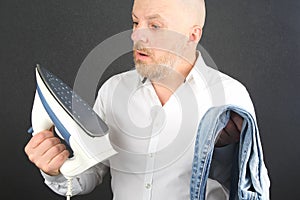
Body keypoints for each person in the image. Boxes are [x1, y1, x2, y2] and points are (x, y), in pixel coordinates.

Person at [24, 0, 257, 199]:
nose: (136, 35)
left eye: (155, 26)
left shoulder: (230, 96)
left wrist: (227, 151)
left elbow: (249, 186)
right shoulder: (113, 90)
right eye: (136, 22)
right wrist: (55, 169)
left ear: (191, 35)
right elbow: (88, 175)